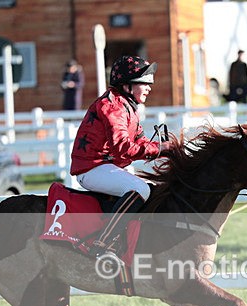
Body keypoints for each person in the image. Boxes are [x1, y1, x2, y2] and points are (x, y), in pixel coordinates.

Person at [70, 55, 171, 259]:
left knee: (150, 187)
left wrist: (170, 148)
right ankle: (102, 243)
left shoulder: (128, 106)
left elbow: (141, 142)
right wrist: (161, 149)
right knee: (140, 188)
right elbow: (123, 149)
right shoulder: (113, 106)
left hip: (105, 166)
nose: (150, 87)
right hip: (92, 168)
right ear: (126, 85)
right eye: (145, 82)